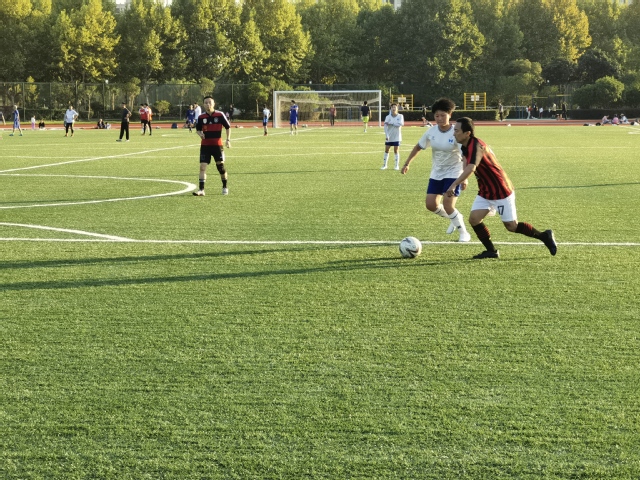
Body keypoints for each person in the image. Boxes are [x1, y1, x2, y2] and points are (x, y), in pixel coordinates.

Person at [446, 117, 557, 259]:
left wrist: (454, 184)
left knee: (511, 226)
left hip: (501, 189)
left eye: (456, 130)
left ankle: (544, 236)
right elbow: (466, 160)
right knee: (474, 219)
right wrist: (464, 178)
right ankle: (491, 251)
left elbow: (472, 167)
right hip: (485, 190)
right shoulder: (465, 145)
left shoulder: (477, 146)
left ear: (467, 133)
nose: (454, 133)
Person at [401, 98, 471, 242]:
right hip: (437, 173)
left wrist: (465, 178)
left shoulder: (456, 133)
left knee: (448, 204)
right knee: (431, 205)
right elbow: (418, 147)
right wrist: (407, 163)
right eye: (437, 115)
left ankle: (464, 233)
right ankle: (455, 217)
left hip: (454, 173)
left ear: (450, 115)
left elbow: (465, 156)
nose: (439, 118)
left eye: (443, 115)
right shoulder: (431, 132)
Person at [193, 96, 231, 197]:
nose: (208, 104)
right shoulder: (201, 117)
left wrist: (228, 140)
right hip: (205, 146)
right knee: (202, 167)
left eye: (209, 102)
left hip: (217, 146)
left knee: (220, 167)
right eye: (206, 103)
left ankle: (225, 186)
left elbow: (228, 127)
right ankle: (201, 190)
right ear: (203, 104)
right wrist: (200, 134)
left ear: (214, 104)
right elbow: (198, 129)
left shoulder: (220, 115)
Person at [381, 103, 404, 170]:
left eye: (395, 107)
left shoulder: (400, 116)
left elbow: (400, 124)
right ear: (390, 109)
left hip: (397, 136)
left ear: (397, 108)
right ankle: (385, 165)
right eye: (392, 107)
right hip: (389, 136)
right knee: (386, 150)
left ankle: (396, 166)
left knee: (396, 150)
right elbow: (385, 126)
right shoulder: (388, 117)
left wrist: (392, 123)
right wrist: (387, 135)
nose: (393, 108)